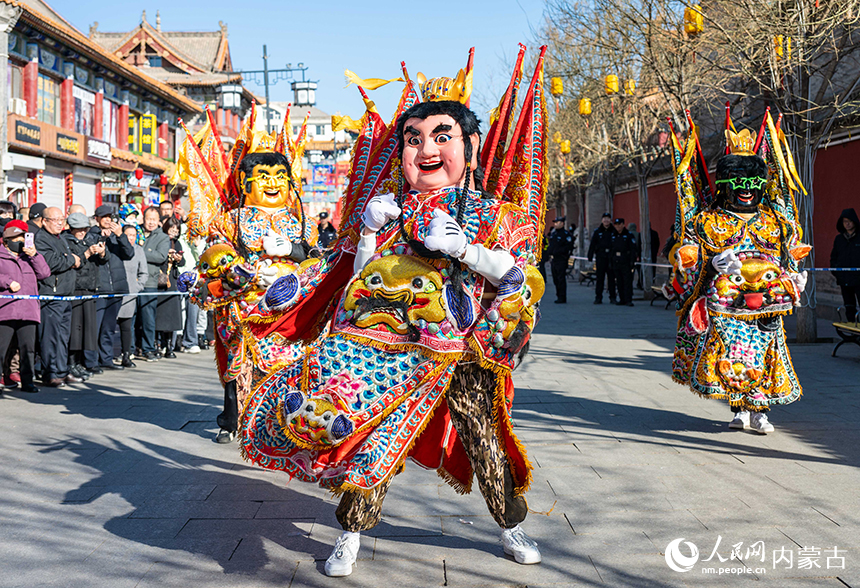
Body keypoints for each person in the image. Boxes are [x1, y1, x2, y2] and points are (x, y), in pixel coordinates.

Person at [240, 53, 547, 576]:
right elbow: (357, 277)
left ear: (471, 149)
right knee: (374, 441)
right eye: (413, 139)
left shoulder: (495, 214)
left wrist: (466, 250)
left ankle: (510, 524)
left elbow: (519, 275)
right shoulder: (390, 211)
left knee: (483, 438)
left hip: (462, 350)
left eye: (441, 137)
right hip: (387, 351)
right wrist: (366, 231)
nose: (426, 150)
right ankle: (351, 534)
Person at [668, 119, 810, 435]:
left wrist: (793, 279)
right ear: (724, 184)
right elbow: (688, 261)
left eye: (753, 182)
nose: (746, 189)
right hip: (728, 303)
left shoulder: (775, 221)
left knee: (764, 351)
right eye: (738, 181)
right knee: (733, 353)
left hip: (766, 301)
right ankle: (739, 408)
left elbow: (788, 255)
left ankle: (759, 410)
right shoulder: (707, 221)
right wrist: (711, 263)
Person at [0, 220, 50, 394]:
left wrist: (34, 255)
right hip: (6, 309)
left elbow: (44, 273)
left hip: (28, 310)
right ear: (7, 240)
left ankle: (28, 381)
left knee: (28, 349)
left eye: (23, 238)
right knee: (1, 348)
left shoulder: (30, 256)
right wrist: (7, 282)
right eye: (16, 238)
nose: (20, 242)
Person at [35, 207, 81, 387]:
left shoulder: (61, 238)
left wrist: (70, 259)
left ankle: (62, 370)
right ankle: (50, 372)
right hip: (51, 295)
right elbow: (51, 262)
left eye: (62, 219)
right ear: (44, 221)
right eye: (55, 220)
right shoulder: (41, 238)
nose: (60, 223)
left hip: (66, 294)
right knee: (50, 336)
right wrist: (71, 260)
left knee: (63, 336)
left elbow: (68, 258)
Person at [90, 205, 134, 371]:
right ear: (97, 219)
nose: (108, 220)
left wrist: (120, 235)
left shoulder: (117, 235)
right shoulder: (91, 234)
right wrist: (101, 237)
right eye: (104, 217)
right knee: (95, 327)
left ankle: (106, 359)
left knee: (109, 327)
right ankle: (92, 361)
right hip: (100, 287)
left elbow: (129, 254)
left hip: (116, 287)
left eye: (110, 217)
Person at [63, 212, 104, 380]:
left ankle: (79, 362)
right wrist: (86, 253)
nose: (82, 232)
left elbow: (105, 260)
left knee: (87, 329)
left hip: (90, 288)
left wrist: (102, 253)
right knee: (75, 328)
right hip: (76, 288)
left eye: (84, 229)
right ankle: (71, 363)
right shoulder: (66, 241)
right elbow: (73, 263)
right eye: (78, 229)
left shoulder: (91, 238)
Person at [139, 206, 170, 362]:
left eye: (153, 219)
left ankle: (148, 348)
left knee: (148, 318)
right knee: (131, 319)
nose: (150, 222)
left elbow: (160, 256)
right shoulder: (136, 232)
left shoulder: (163, 237)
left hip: (150, 282)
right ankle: (132, 348)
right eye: (148, 219)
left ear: (158, 221)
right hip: (132, 281)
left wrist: (138, 251)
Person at [118, 225, 147, 368]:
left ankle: (126, 355)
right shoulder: (116, 248)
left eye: (133, 235)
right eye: (128, 234)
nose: (130, 238)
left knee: (126, 326)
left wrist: (137, 288)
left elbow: (144, 273)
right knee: (109, 327)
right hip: (114, 292)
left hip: (130, 294)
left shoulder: (138, 250)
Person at [156, 216, 185, 358]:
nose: (174, 232)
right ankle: (157, 344)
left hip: (172, 281)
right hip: (160, 279)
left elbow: (182, 261)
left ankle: (169, 346)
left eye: (176, 230)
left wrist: (178, 259)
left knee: (172, 315)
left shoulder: (176, 243)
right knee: (158, 314)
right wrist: (164, 255)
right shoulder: (159, 240)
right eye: (171, 229)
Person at [830, 208, 860, 321]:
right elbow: (833, 257)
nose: (847, 224)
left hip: (858, 279)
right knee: (849, 306)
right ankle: (852, 327)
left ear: (854, 221)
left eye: (849, 221)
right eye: (845, 221)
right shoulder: (839, 239)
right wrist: (836, 272)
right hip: (844, 279)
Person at [587, 212, 616, 304]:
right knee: (600, 278)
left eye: (608, 218)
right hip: (601, 257)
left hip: (611, 258)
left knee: (611, 279)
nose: (606, 220)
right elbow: (593, 244)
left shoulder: (614, 231)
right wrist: (590, 255)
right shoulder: (597, 231)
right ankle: (598, 297)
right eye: (604, 218)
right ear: (602, 220)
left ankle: (613, 297)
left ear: (610, 220)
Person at [546, 216, 574, 303]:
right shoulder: (554, 234)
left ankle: (562, 297)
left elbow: (569, 247)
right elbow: (551, 246)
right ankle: (558, 295)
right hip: (553, 260)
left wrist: (560, 252)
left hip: (561, 259)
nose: (555, 224)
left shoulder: (565, 234)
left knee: (561, 278)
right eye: (555, 223)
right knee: (555, 279)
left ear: (562, 223)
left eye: (557, 223)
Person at [610, 218, 637, 306]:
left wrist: (632, 261)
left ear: (623, 225)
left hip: (625, 260)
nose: (617, 226)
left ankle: (628, 299)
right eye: (616, 225)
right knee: (619, 281)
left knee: (627, 281)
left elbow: (633, 249)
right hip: (616, 261)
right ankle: (622, 299)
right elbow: (611, 249)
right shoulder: (613, 235)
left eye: (619, 224)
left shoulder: (629, 235)